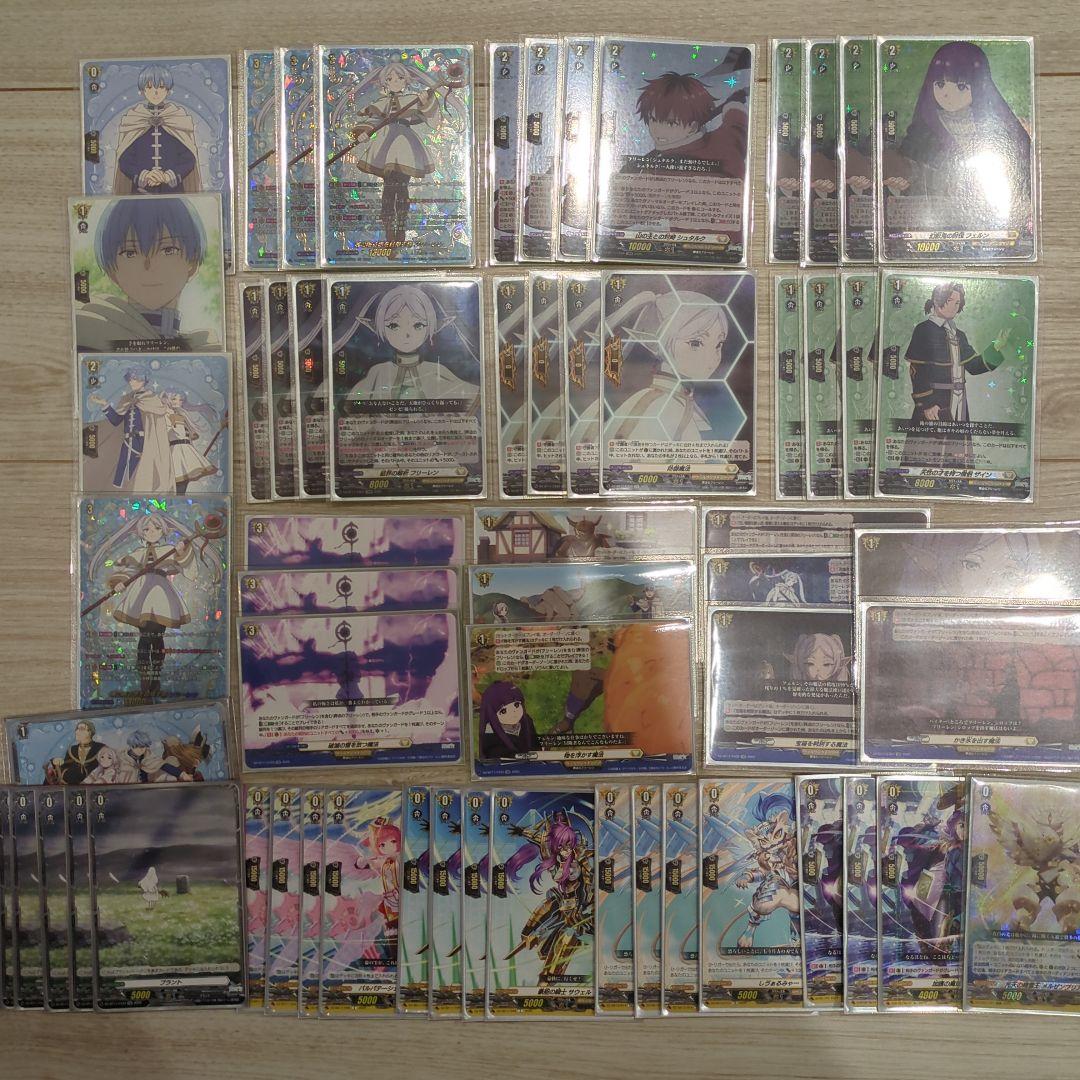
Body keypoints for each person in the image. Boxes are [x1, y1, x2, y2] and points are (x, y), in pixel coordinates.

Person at [882, 41, 1032, 228]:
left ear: (978, 86)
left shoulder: (995, 129)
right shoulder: (924, 131)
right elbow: (911, 166)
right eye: (940, 84)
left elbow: (1021, 170)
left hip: (995, 220)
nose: (947, 94)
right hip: (940, 221)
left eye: (961, 87)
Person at [76, 196, 219, 352]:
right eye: (130, 253)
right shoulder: (89, 332)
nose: (149, 266)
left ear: (193, 262)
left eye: (168, 250)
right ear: (111, 270)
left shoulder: (205, 348)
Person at [349, 61, 466, 245]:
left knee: (401, 187)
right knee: (389, 188)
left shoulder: (413, 98)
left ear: (406, 81)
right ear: (384, 83)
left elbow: (432, 119)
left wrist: (426, 103)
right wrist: (363, 133)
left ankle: (400, 230)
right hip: (385, 145)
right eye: (390, 79)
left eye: (400, 78)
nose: (395, 81)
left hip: (405, 145)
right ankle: (389, 230)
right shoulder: (382, 103)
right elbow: (372, 121)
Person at [901, 282, 1012, 469]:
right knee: (929, 448)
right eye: (950, 300)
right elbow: (916, 370)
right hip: (935, 400)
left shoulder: (959, 334)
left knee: (958, 449)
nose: (955, 306)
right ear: (937, 300)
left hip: (959, 400)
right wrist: (927, 403)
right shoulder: (923, 329)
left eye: (958, 303)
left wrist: (996, 348)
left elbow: (974, 366)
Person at [345, 284, 479, 402]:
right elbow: (355, 403)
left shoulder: (435, 371)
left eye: (418, 325)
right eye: (393, 325)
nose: (407, 334)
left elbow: (469, 395)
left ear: (430, 327)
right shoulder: (379, 372)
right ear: (381, 328)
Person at [114, 64, 201, 195]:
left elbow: (188, 158)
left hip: (173, 193)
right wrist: (144, 175)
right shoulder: (134, 119)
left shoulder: (178, 118)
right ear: (142, 91)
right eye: (149, 87)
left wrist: (167, 176)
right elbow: (125, 160)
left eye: (161, 87)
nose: (155, 92)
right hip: (140, 192)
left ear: (168, 90)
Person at [88, 365, 174, 492]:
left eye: (135, 379)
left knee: (138, 476)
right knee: (120, 477)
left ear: (143, 379)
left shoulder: (152, 399)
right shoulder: (126, 399)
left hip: (144, 443)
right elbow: (116, 420)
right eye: (130, 379)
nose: (131, 382)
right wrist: (104, 404)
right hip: (127, 443)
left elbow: (157, 423)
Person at [478, 680, 540, 758]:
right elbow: (495, 755)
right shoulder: (490, 736)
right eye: (503, 711)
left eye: (516, 705)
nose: (513, 712)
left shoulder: (526, 721)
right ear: (492, 715)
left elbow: (535, 745)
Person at [58, 719, 106, 784]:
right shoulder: (72, 749)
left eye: (81, 729)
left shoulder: (101, 748)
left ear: (90, 732)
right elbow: (64, 767)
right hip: (72, 785)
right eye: (77, 729)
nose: (77, 732)